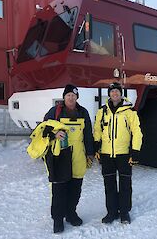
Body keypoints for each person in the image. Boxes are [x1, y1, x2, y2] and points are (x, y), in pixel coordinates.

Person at [44, 84, 94, 233]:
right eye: (68, 95)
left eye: (73, 95)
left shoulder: (83, 112)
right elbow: (43, 129)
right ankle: (58, 219)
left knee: (75, 187)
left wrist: (90, 153)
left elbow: (88, 134)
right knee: (59, 189)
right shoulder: (55, 111)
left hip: (78, 155)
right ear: (64, 97)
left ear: (77, 97)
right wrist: (54, 134)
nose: (71, 98)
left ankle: (71, 213)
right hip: (60, 155)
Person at [94, 82, 143, 224]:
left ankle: (124, 212)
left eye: (117, 91)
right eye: (112, 91)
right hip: (106, 154)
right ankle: (111, 212)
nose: (114, 94)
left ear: (120, 94)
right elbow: (97, 130)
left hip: (124, 154)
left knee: (125, 185)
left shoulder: (130, 112)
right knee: (109, 185)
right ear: (108, 94)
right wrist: (96, 146)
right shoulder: (102, 112)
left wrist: (135, 151)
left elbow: (137, 132)